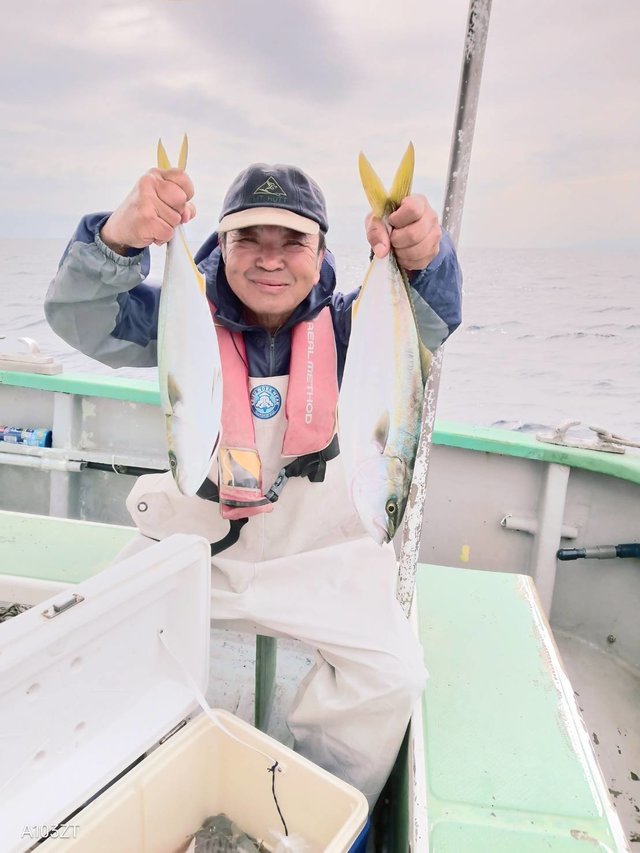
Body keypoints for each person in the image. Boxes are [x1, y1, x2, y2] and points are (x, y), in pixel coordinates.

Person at [45, 157, 462, 808]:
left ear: (322, 249)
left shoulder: (356, 330)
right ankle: (112, 787)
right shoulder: (181, 319)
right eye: (249, 238)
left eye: (293, 240)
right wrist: (117, 240)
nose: (271, 259)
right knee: (80, 639)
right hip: (195, 548)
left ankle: (321, 803)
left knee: (393, 677)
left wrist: (426, 258)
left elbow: (429, 320)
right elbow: (81, 317)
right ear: (220, 243)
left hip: (322, 560)